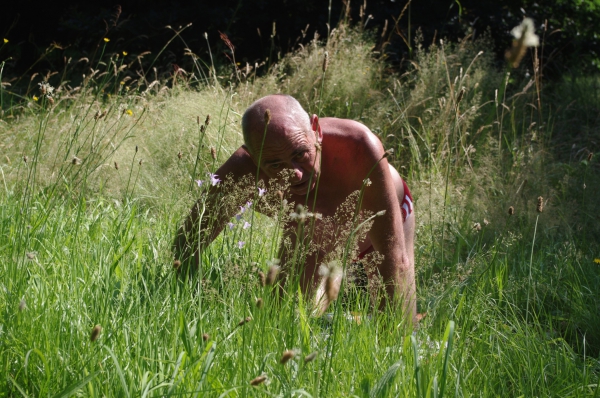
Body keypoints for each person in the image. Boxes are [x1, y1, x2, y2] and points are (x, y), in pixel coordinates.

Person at [174, 94, 416, 323]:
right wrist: (187, 301)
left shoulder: (358, 145)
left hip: (375, 222)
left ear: (316, 130)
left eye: (300, 154)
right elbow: (187, 242)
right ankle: (333, 287)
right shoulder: (241, 173)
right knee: (286, 318)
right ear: (253, 158)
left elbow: (395, 259)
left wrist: (398, 348)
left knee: (395, 317)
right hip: (310, 232)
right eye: (275, 164)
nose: (295, 173)